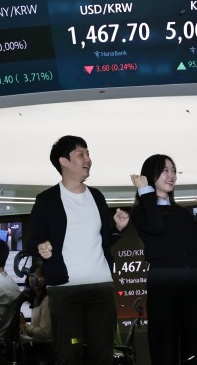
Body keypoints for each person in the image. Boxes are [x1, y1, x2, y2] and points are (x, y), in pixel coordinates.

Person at [28, 135, 130, 365]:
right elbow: (33, 239)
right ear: (64, 161)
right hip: (65, 291)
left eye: (88, 154)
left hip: (101, 286)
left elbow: (105, 239)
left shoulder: (96, 196)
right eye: (81, 154)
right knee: (69, 354)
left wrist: (117, 228)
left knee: (102, 354)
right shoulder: (47, 200)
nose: (88, 159)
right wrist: (41, 246)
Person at [130, 154, 197, 365]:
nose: (171, 175)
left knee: (196, 343)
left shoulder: (182, 212)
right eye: (165, 170)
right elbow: (156, 226)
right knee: (164, 345)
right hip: (163, 283)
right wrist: (145, 192)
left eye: (173, 170)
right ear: (151, 175)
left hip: (192, 282)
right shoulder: (141, 211)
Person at [20, 259, 51, 341]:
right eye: (33, 275)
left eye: (40, 275)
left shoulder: (47, 300)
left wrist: (25, 326)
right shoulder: (36, 299)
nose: (36, 278)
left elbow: (45, 334)